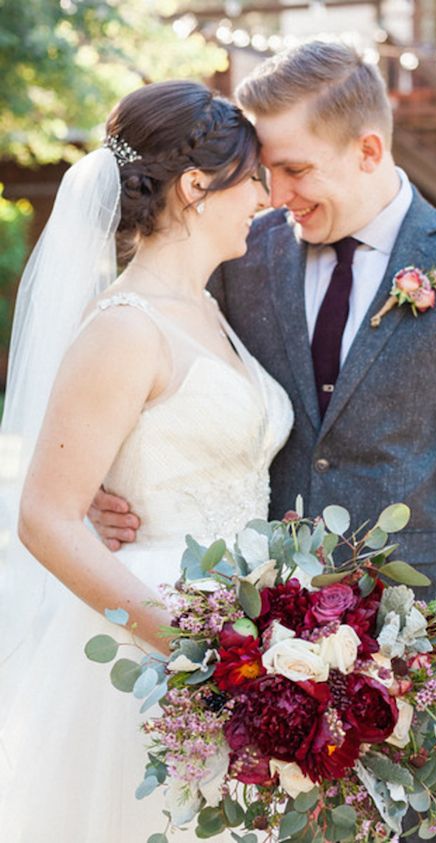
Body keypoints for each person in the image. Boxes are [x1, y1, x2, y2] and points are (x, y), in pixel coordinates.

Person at [91, 41, 436, 842]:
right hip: (254, 643)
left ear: (368, 150)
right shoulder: (239, 252)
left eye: (293, 170)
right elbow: (148, 348)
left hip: (411, 643)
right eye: (266, 169)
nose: (273, 192)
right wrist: (100, 472)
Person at [0, 80, 291, 842]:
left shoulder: (208, 307)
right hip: (155, 654)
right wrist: (196, 646)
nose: (265, 196)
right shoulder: (124, 330)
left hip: (252, 643)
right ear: (198, 187)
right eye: (254, 176)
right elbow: (43, 517)